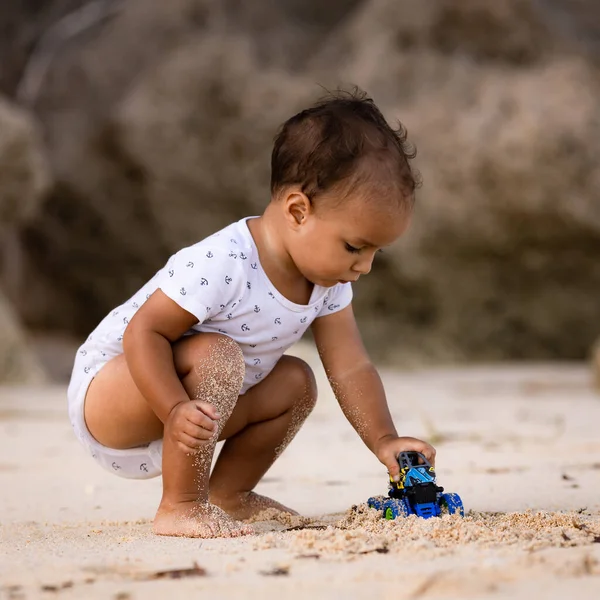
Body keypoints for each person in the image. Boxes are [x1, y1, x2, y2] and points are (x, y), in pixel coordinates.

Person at [67, 87, 436, 538]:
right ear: (298, 211)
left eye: (377, 251)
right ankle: (180, 504)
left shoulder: (326, 282)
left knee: (298, 383)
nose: (365, 265)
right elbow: (144, 334)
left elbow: (352, 366)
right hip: (114, 392)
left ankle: (230, 494)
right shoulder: (224, 261)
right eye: (355, 246)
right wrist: (174, 407)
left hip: (200, 407)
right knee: (216, 355)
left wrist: (385, 440)